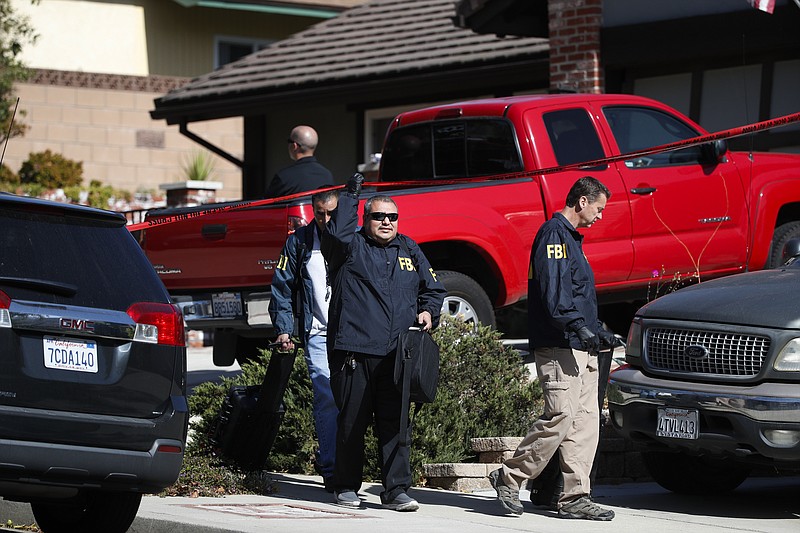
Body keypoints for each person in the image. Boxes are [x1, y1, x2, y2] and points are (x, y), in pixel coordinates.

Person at [489, 176, 618, 521]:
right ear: (581, 202)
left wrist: (599, 333)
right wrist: (577, 326)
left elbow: (575, 294)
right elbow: (554, 293)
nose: (600, 216)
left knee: (585, 424)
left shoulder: (572, 240)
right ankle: (509, 475)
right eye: (599, 208)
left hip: (581, 346)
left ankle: (575, 496)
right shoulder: (554, 235)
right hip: (561, 345)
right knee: (560, 417)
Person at [321, 173, 446, 512]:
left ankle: (396, 491)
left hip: (397, 355)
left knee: (395, 426)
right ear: (366, 219)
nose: (387, 222)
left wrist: (428, 312)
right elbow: (335, 232)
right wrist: (351, 194)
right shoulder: (348, 247)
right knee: (352, 423)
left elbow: (433, 289)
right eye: (379, 216)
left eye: (392, 217)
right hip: (355, 352)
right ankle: (346, 486)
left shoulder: (409, 248)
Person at [268, 190, 340, 492]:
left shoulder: (353, 238)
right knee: (326, 395)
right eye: (319, 213)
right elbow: (282, 287)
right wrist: (284, 329)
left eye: (330, 213)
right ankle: (332, 469)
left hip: (352, 334)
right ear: (312, 211)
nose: (325, 219)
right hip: (317, 334)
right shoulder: (298, 241)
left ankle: (351, 465)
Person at [266, 125, 334, 198]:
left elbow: (265, 204)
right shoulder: (327, 175)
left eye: (289, 141)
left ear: (294, 146)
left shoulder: (283, 177)